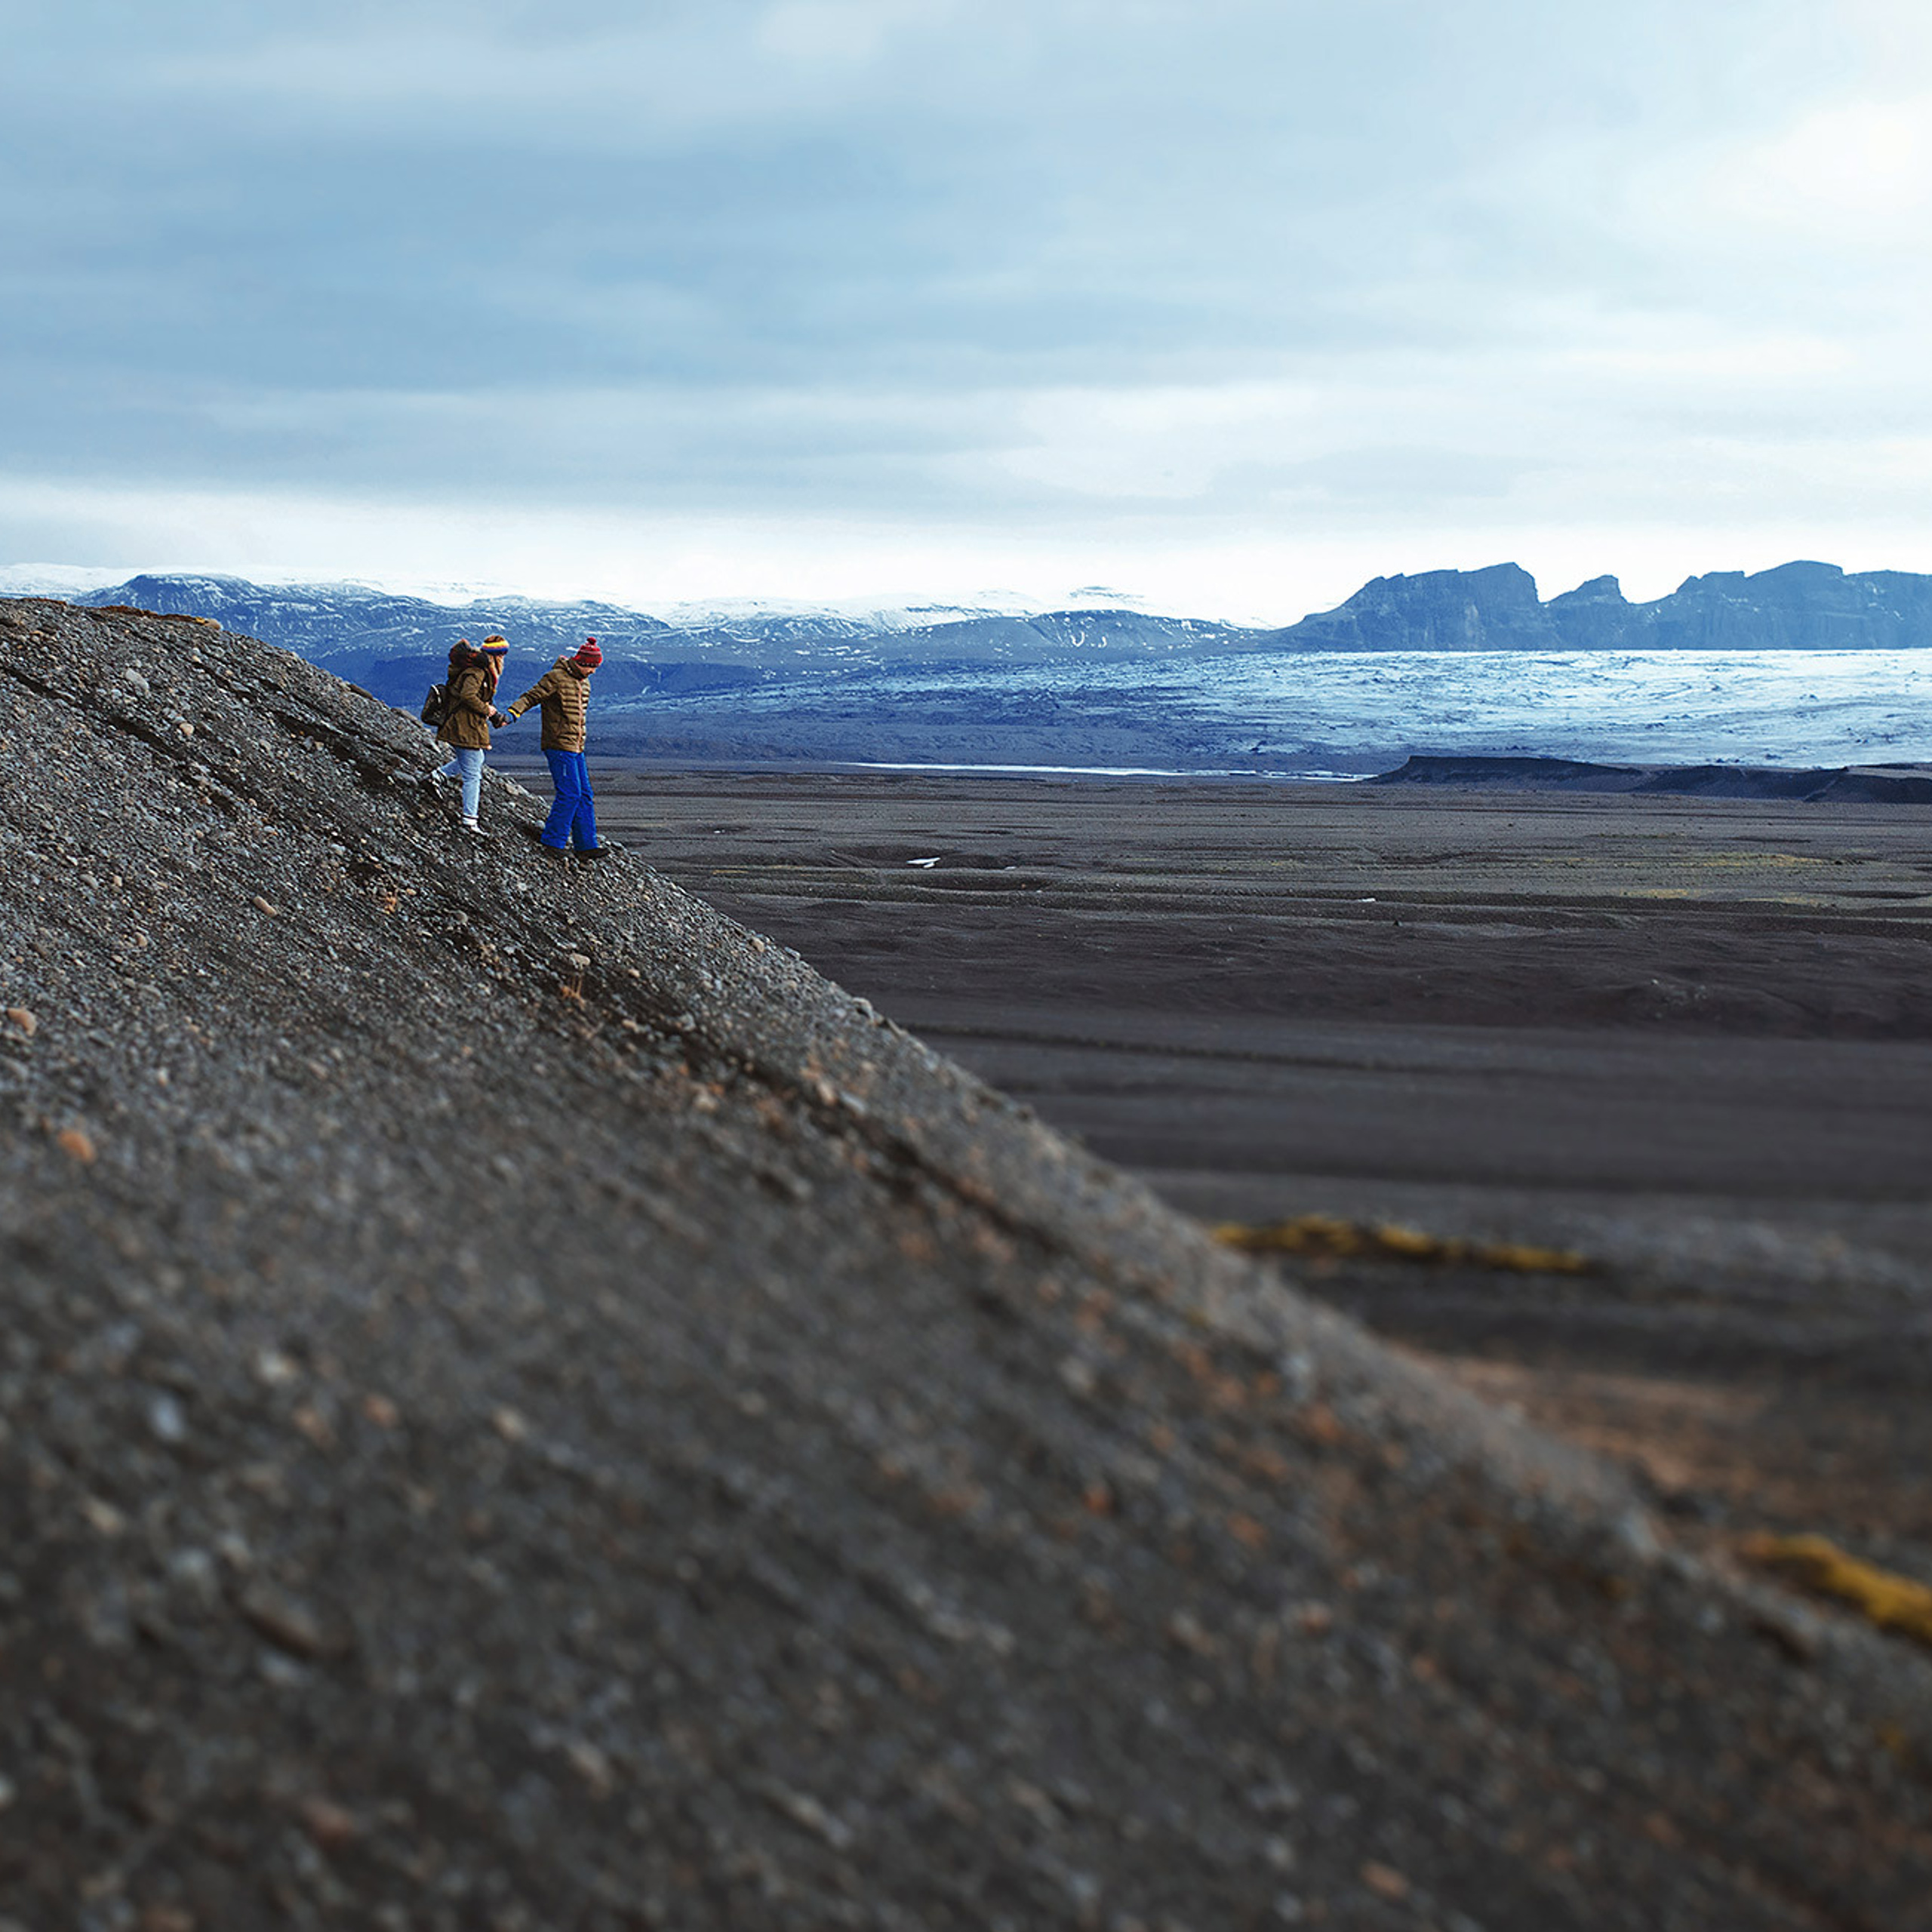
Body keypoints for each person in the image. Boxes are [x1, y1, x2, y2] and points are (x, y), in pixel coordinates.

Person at [497, 638, 605, 856]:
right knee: (570, 793)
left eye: (595, 667)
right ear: (581, 662)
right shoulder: (556, 678)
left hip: (577, 746)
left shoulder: (585, 682)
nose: (593, 671)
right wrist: (512, 714)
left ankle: (586, 845)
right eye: (591, 666)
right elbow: (531, 697)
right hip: (559, 744)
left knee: (585, 794)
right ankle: (553, 842)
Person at [435, 639, 506, 835]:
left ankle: (436, 777)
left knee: (475, 760)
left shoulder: (481, 671)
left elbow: (479, 698)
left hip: (467, 725)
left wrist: (493, 715)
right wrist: (486, 710)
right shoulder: (478, 672)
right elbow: (468, 696)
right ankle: (469, 820)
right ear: (496, 656)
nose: (503, 659)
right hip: (464, 726)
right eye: (502, 654)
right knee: (473, 775)